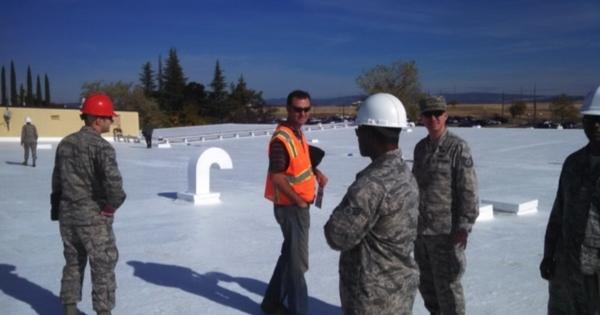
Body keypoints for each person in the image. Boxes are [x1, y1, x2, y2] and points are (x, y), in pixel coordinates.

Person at [324, 93, 420, 315]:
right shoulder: (405, 173)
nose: (357, 137)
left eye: (358, 130)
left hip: (372, 299)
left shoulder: (371, 185)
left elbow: (336, 236)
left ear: (370, 131)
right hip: (400, 289)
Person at [51, 93, 126, 315]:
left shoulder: (65, 144)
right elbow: (115, 186)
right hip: (93, 217)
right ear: (97, 120)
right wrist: (110, 207)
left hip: (68, 216)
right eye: (108, 118)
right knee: (102, 265)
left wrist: (57, 209)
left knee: (73, 262)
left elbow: (57, 180)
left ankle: (69, 309)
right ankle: (103, 312)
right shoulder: (102, 148)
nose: (111, 122)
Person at [261, 90, 328, 315]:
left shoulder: (296, 132)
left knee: (289, 256)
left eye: (306, 109)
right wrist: (299, 201)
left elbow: (298, 163)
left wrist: (315, 172)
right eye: (297, 109)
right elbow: (277, 177)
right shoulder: (282, 139)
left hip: (297, 205)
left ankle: (271, 304)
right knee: (298, 265)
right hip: (291, 208)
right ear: (288, 110)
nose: (302, 114)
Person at [412, 95, 479, 315]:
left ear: (445, 116)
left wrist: (464, 228)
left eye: (437, 113)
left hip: (446, 234)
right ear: (421, 117)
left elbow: (468, 191)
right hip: (421, 234)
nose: (433, 118)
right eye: (428, 114)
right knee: (428, 287)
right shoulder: (420, 148)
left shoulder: (457, 148)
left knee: (449, 289)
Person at [540, 85, 600, 315]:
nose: (596, 126)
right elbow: (558, 212)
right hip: (566, 265)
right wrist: (548, 254)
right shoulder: (573, 163)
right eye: (590, 119)